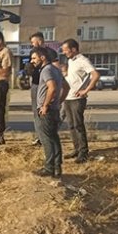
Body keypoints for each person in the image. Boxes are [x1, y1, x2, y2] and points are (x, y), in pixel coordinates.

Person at [31, 47, 70, 178]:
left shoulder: (46, 70)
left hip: (47, 110)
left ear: (42, 58)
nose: (32, 61)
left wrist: (45, 105)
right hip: (54, 109)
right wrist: (58, 102)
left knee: (46, 139)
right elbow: (66, 87)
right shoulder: (56, 70)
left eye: (34, 58)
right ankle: (57, 167)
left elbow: (52, 87)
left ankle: (49, 168)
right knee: (54, 138)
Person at [61, 39, 100, 164]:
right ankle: (76, 149)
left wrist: (86, 90)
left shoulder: (83, 60)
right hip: (68, 97)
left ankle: (83, 152)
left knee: (78, 125)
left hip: (77, 99)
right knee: (71, 125)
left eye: (66, 50)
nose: (64, 52)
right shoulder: (70, 60)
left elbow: (95, 75)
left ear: (73, 49)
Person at [28, 33, 60, 146]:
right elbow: (31, 67)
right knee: (36, 112)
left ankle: (45, 137)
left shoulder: (50, 53)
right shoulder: (33, 53)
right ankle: (40, 136)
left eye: (33, 42)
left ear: (39, 40)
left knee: (44, 112)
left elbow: (56, 68)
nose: (32, 45)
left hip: (46, 84)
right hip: (36, 84)